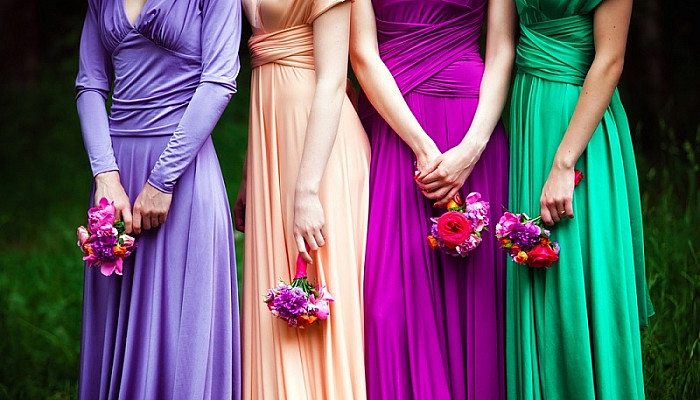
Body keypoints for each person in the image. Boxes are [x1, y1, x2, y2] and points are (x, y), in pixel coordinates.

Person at [75, 0, 241, 398]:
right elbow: (90, 84)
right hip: (116, 178)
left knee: (177, 327)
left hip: (182, 170)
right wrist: (105, 175)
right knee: (113, 323)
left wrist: (162, 181)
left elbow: (218, 82)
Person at [349, 0, 515, 398]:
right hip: (395, 123)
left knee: (476, 297)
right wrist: (421, 145)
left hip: (471, 122)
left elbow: (502, 48)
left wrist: (472, 148)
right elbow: (362, 53)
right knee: (387, 307)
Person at [505, 0, 654, 398]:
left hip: (576, 119)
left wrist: (564, 163)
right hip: (528, 110)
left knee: (574, 270)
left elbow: (609, 61)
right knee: (533, 271)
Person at [236, 0, 370, 398]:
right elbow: (265, 75)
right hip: (271, 142)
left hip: (317, 147)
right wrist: (249, 170)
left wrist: (308, 190)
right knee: (279, 291)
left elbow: (332, 79)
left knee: (320, 285)